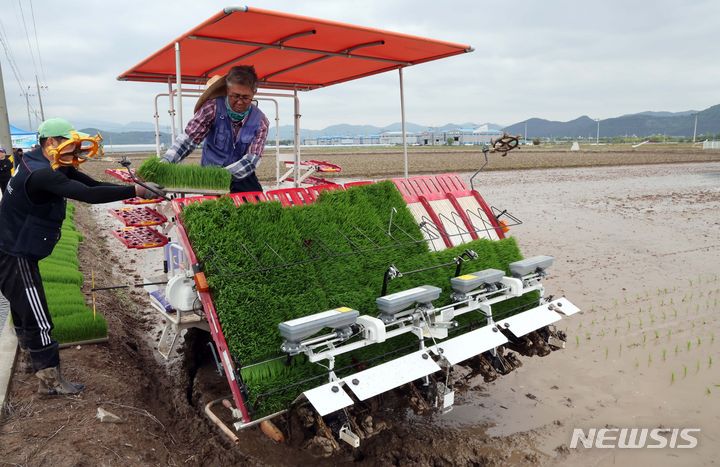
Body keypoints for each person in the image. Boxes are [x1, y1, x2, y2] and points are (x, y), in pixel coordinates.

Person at [0, 118, 165, 396]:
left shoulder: (48, 164)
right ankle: (50, 380)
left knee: (23, 309)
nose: (73, 154)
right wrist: (135, 191)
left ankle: (32, 361)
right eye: (68, 145)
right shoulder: (41, 173)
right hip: (13, 253)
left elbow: (92, 182)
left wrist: (135, 188)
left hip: (14, 247)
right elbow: (88, 195)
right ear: (50, 142)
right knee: (38, 316)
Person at [161, 65, 269, 193]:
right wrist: (166, 162)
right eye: (235, 96)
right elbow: (188, 140)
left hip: (242, 178)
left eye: (245, 97)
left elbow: (252, 160)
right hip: (211, 178)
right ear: (227, 91)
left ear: (253, 93)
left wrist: (222, 176)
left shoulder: (260, 121)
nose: (240, 102)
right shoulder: (212, 108)